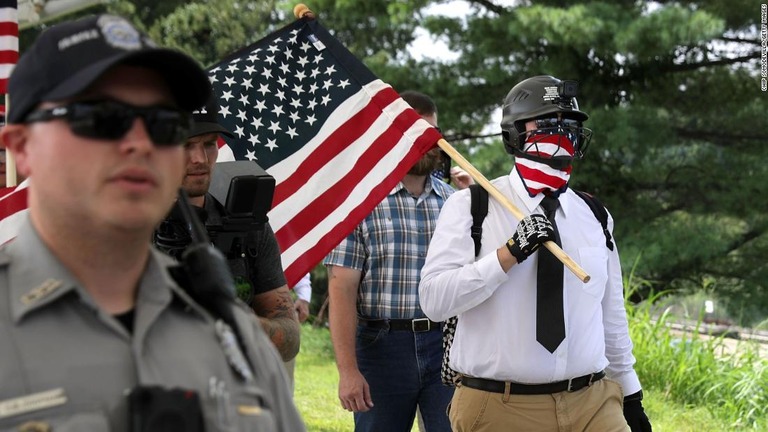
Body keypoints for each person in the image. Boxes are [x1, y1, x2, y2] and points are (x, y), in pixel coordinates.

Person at [0, 14, 305, 432]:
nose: (141, 144)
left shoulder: (236, 337)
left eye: (161, 124)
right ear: (22, 149)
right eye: (102, 119)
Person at [418, 75, 651, 432]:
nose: (561, 133)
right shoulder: (471, 205)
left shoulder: (595, 215)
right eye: (546, 123)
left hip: (593, 402)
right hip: (502, 405)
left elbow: (611, 317)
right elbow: (434, 301)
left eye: (569, 124)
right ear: (514, 133)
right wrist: (506, 255)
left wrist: (631, 394)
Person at [324, 90, 455, 432]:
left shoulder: (456, 205)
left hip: (447, 344)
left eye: (431, 134)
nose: (426, 143)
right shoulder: (359, 202)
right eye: (415, 134)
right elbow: (342, 289)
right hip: (381, 347)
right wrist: (348, 371)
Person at [154, 94, 301, 363]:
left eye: (209, 144)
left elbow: (290, 339)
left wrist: (250, 327)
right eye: (186, 145)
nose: (199, 158)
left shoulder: (245, 223)